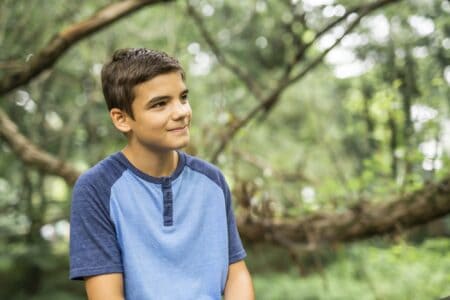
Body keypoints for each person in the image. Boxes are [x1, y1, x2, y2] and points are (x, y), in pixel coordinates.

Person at [69, 48, 254, 300]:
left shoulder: (213, 181)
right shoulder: (96, 187)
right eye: (160, 104)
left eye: (183, 97)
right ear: (122, 119)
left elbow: (236, 273)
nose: (181, 112)